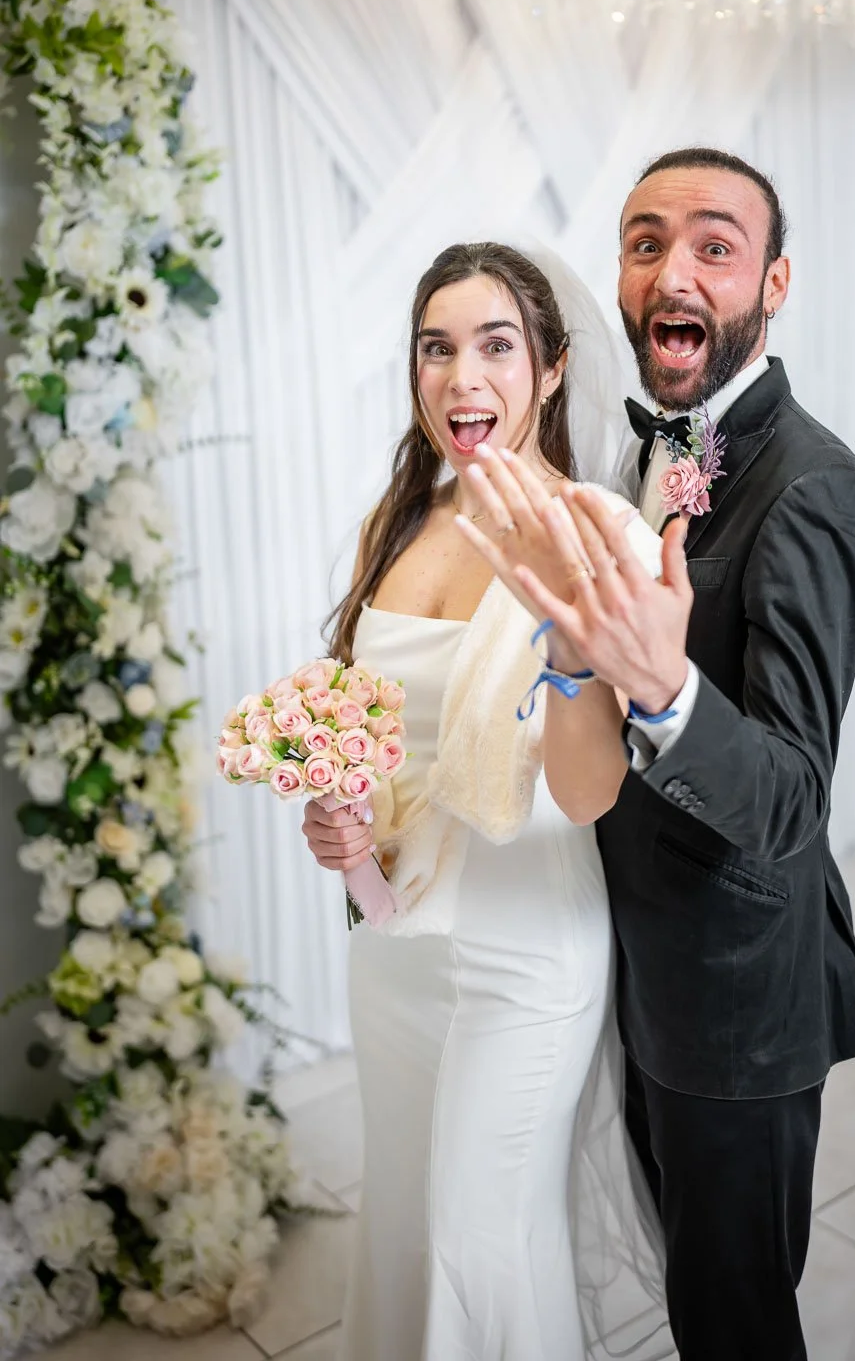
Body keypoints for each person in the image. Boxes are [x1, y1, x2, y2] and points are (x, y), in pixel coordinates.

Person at [463, 149, 855, 1361]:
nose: (672, 269)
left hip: (736, 997)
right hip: (631, 960)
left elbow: (791, 797)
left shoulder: (816, 490)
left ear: (774, 280)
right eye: (645, 242)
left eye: (713, 243)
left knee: (734, 1316)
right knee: (682, 1275)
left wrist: (662, 685)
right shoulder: (622, 451)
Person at [299, 242, 674, 1361]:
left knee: (481, 1242)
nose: (462, 377)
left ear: (552, 369)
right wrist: (341, 822)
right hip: (397, 939)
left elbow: (588, 787)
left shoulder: (601, 532)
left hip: (523, 951)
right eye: (436, 347)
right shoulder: (397, 523)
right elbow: (374, 741)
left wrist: (565, 634)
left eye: (495, 345)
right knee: (410, 1231)